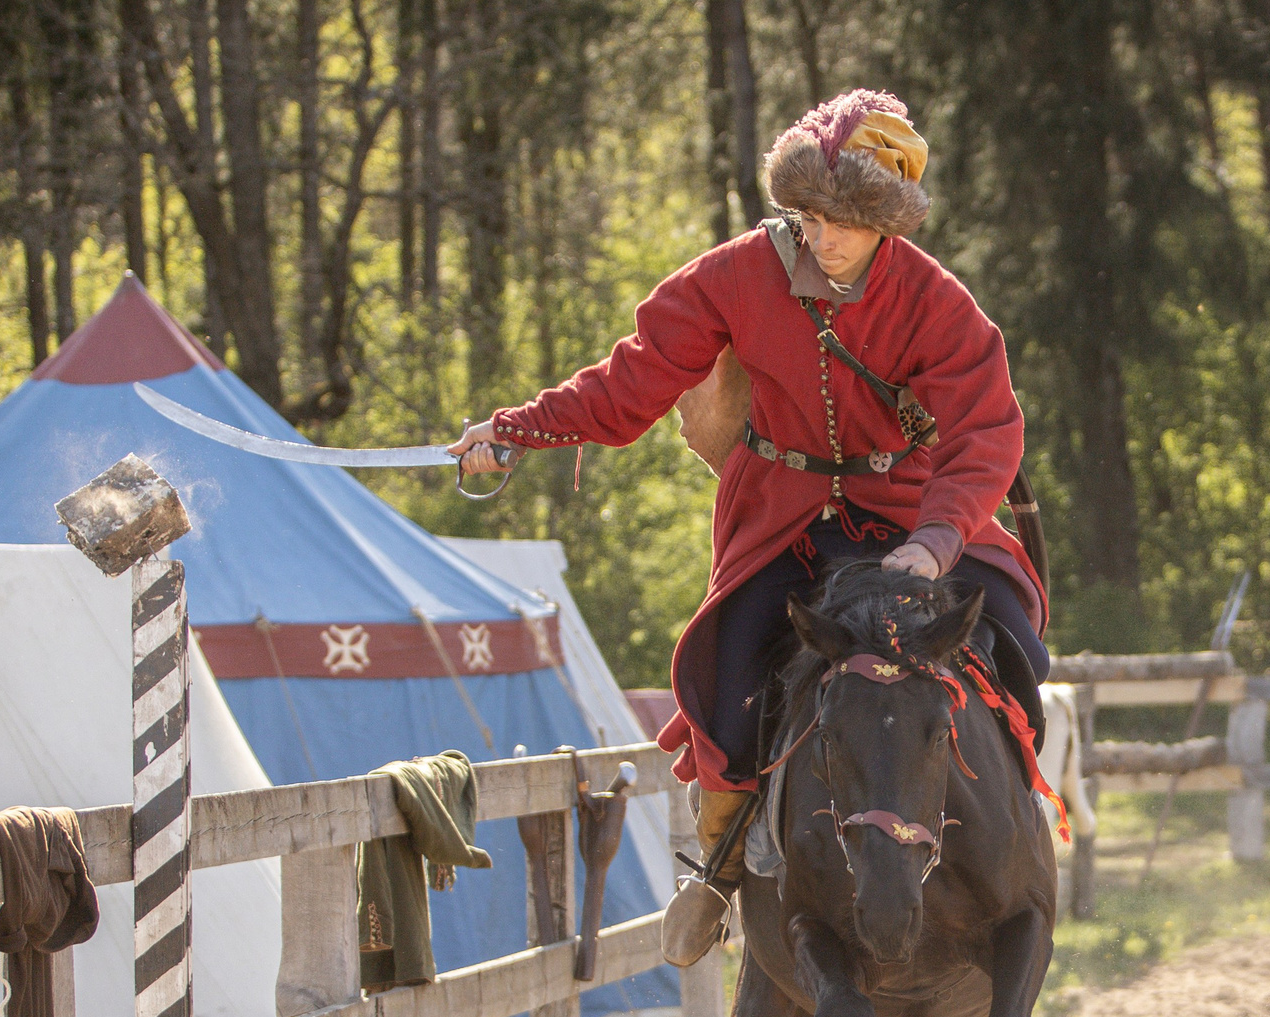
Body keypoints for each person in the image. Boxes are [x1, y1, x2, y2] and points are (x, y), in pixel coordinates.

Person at [449, 90, 1049, 965]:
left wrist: (937, 540)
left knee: (1010, 634)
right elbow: (632, 380)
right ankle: (722, 871)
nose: (825, 236)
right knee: (726, 677)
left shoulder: (938, 305)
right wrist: (517, 429)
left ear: (885, 219)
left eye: (845, 219)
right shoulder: (734, 275)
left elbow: (985, 436)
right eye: (809, 215)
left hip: (914, 516)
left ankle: (1019, 841)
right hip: (785, 519)